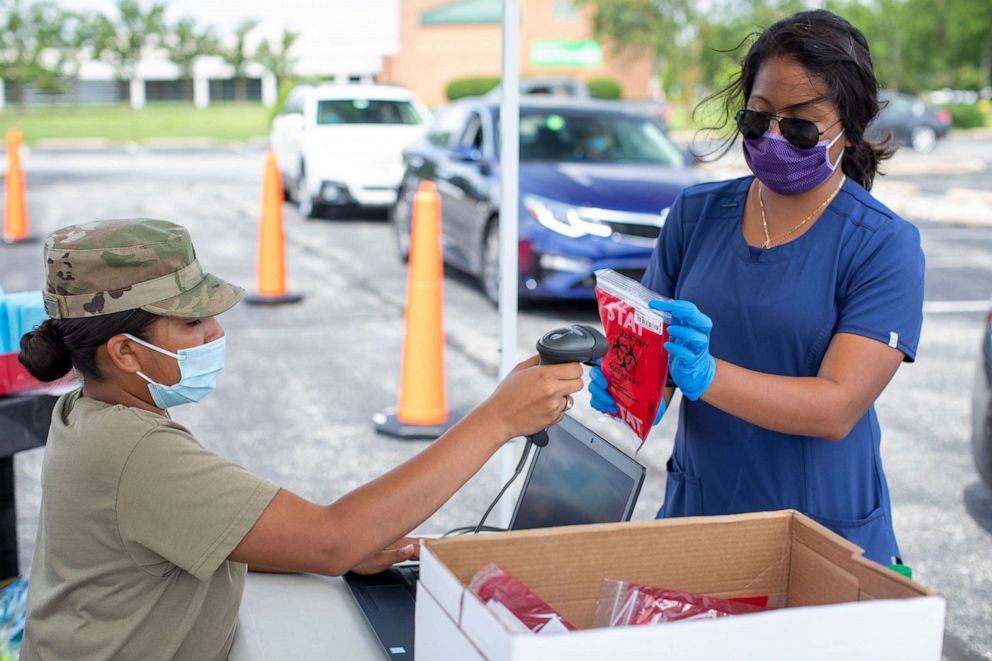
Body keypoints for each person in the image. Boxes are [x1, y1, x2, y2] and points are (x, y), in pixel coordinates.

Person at [18, 218, 583, 660]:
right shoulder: (135, 451)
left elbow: (192, 535)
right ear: (124, 352)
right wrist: (498, 420)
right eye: (192, 323)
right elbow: (331, 539)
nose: (215, 332)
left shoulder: (88, 413)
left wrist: (314, 549)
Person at [589, 9, 924, 566]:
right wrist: (631, 382)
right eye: (757, 118)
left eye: (799, 124)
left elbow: (836, 407)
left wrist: (708, 374)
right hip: (703, 511)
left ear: (848, 123)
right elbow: (657, 365)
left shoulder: (883, 244)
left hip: (818, 527)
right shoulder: (696, 215)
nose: (773, 136)